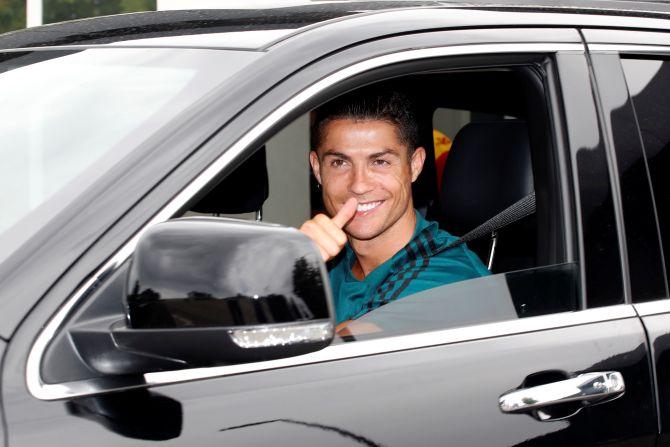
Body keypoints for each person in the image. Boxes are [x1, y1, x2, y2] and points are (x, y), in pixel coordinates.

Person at [299, 89, 489, 327]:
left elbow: (320, 357)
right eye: (339, 162)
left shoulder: (448, 278)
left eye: (380, 162)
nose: (358, 185)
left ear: (415, 165)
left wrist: (286, 276)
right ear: (317, 169)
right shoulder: (332, 258)